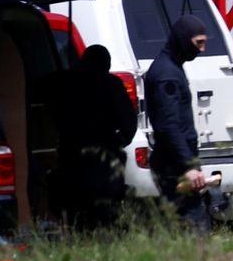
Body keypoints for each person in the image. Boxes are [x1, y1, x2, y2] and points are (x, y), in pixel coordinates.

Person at [49, 44, 137, 230]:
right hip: (104, 155)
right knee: (105, 213)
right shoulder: (111, 85)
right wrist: (119, 142)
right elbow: (128, 122)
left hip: (72, 154)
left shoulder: (65, 83)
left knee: (77, 214)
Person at [143, 16, 213, 231]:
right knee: (192, 223)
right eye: (198, 42)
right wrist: (188, 167)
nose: (202, 49)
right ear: (184, 40)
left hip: (175, 160)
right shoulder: (167, 74)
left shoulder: (172, 66)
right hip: (174, 164)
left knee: (182, 222)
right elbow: (168, 126)